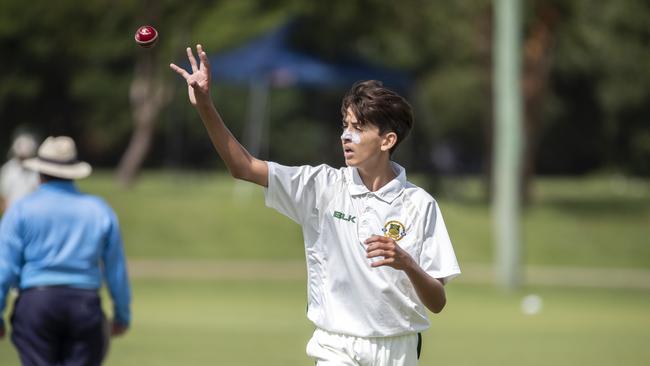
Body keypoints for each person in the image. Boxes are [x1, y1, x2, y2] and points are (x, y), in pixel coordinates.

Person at [170, 45, 460, 366]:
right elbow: (244, 167)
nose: (346, 137)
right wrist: (206, 106)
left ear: (387, 140)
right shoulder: (321, 186)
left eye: (358, 129)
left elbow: (437, 301)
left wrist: (407, 263)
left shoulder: (420, 205)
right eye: (345, 126)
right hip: (335, 346)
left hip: (397, 349)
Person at [0, 136, 131, 366]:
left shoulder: (20, 210)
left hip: (35, 303)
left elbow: (5, 267)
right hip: (84, 305)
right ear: (73, 171)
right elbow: (115, 268)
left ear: (39, 173)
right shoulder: (98, 210)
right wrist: (122, 314)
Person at [0, 133, 40, 213]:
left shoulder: (37, 171)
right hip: (12, 213)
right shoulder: (7, 170)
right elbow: (2, 197)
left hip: (32, 213)